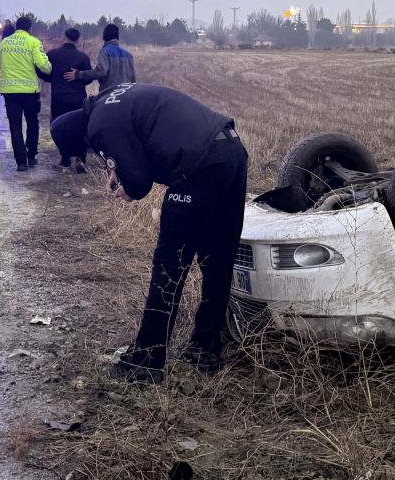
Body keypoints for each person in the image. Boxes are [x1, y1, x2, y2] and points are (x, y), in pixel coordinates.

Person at [50, 83, 248, 384]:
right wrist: (119, 167)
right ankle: (205, 349)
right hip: (231, 151)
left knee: (169, 265)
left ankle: (146, 361)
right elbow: (140, 138)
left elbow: (140, 183)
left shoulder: (99, 125)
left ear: (81, 139)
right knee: (217, 259)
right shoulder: (108, 100)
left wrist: (127, 188)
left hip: (198, 166)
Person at [0, 15, 52, 171]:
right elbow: (43, 65)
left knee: (15, 126)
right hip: (29, 92)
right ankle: (32, 155)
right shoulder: (34, 42)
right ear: (29, 29)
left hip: (10, 92)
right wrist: (50, 68)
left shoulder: (4, 43)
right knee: (32, 122)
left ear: (16, 27)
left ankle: (21, 162)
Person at [37, 27, 92, 171]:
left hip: (59, 98)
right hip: (78, 98)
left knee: (60, 127)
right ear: (78, 40)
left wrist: (55, 78)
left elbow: (44, 74)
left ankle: (65, 159)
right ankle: (81, 158)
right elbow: (88, 80)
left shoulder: (53, 55)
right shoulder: (83, 57)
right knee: (80, 128)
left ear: (64, 37)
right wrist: (78, 77)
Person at [67, 23, 135, 93]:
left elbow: (101, 72)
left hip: (110, 96)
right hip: (126, 95)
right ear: (117, 37)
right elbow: (133, 79)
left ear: (104, 36)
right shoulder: (128, 55)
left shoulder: (105, 51)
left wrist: (79, 74)